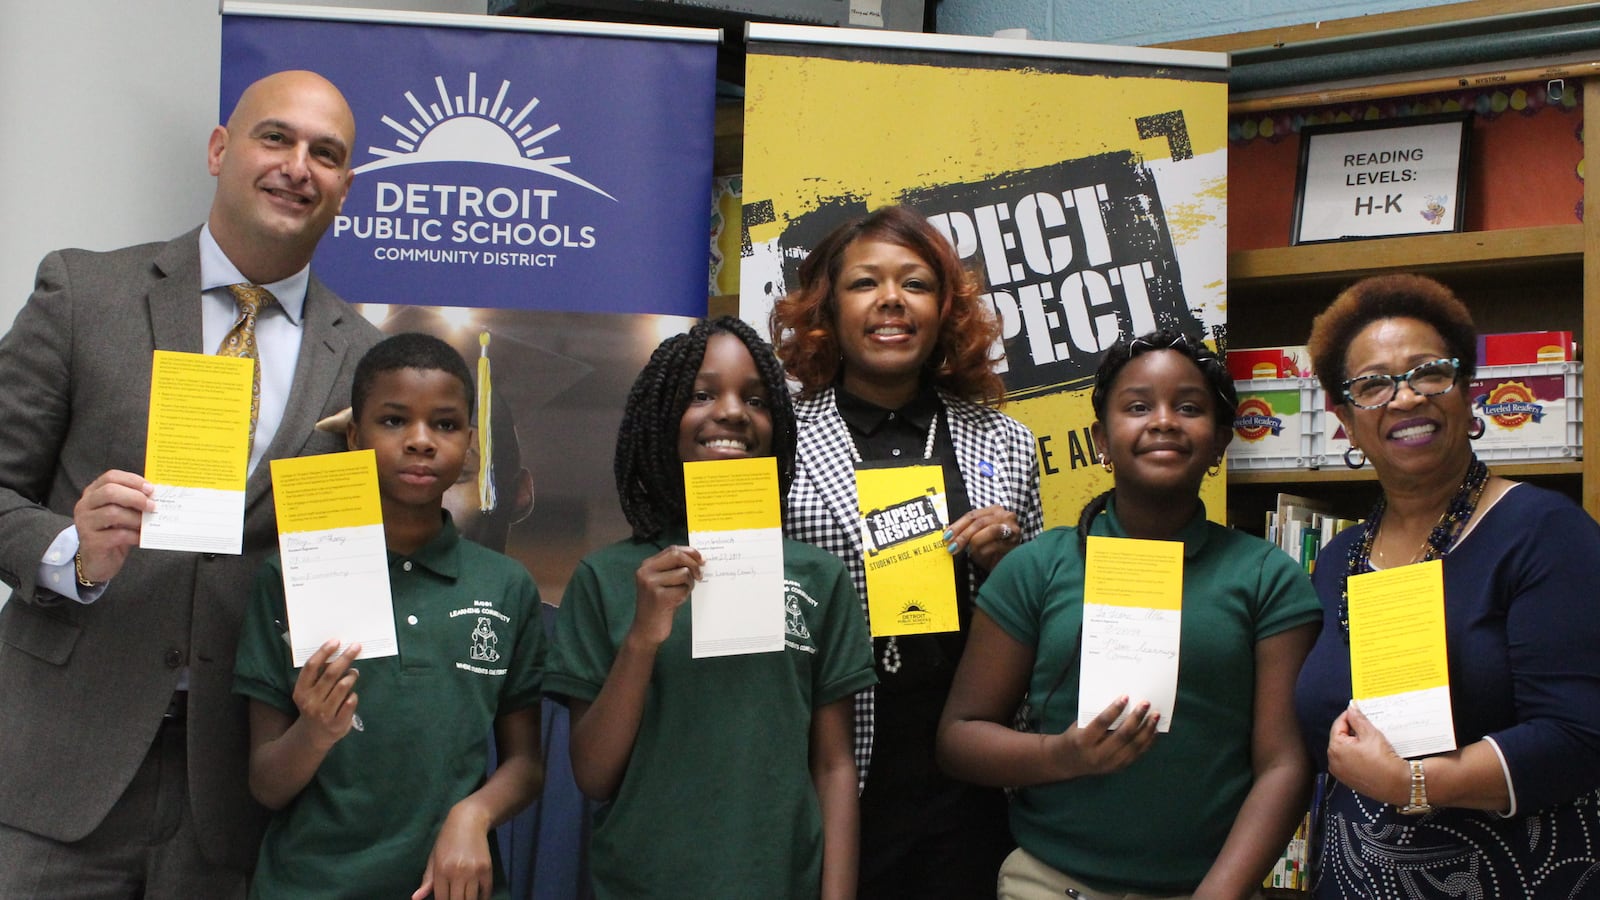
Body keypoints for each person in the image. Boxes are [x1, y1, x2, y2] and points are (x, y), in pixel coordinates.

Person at [0, 70, 382, 895]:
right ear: (220, 149)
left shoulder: (365, 360)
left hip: (234, 783)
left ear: (345, 188)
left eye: (326, 153)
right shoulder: (84, 292)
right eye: (274, 137)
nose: (297, 166)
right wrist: (71, 548)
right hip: (59, 766)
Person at [938, 330, 1321, 899]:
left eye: (1189, 407)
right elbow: (959, 739)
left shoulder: (1267, 577)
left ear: (1220, 442)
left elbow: (1284, 765)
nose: (1163, 421)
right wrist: (1060, 754)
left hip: (1209, 887)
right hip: (1051, 882)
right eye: (1138, 406)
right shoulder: (1037, 568)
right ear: (1101, 440)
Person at [545, 316, 876, 899]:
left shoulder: (818, 576)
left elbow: (834, 766)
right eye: (701, 394)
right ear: (661, 419)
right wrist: (643, 638)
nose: (731, 412)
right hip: (642, 884)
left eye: (755, 399)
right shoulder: (606, 577)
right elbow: (593, 775)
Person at [1294, 273, 1600, 897]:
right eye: (1373, 384)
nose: (1405, 398)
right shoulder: (1337, 562)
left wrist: (1413, 785)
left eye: (1428, 372)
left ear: (1466, 392)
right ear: (1343, 420)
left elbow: (1580, 737)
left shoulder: (1545, 533)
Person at [769, 204, 1043, 897]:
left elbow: (1043, 620)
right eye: (866, 283)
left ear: (944, 309)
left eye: (915, 283)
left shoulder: (1003, 441)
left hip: (970, 776)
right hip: (823, 764)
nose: (891, 300)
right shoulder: (779, 442)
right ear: (827, 307)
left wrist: (1006, 565)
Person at [234, 332, 546, 899]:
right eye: (395, 421)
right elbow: (266, 784)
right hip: (310, 885)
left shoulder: (505, 586)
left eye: (446, 425)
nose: (421, 442)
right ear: (355, 436)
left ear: (471, 443)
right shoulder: (291, 576)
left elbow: (525, 764)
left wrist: (472, 816)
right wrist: (316, 732)